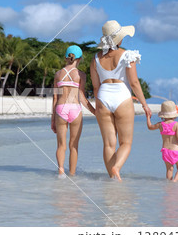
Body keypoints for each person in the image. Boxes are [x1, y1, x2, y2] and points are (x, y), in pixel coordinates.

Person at [90, 20, 152, 181]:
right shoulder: (127, 55)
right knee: (126, 143)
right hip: (122, 97)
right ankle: (116, 168)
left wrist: (98, 106)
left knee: (109, 144)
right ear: (119, 38)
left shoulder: (95, 59)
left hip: (103, 97)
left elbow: (95, 87)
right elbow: (134, 83)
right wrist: (145, 105)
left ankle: (112, 178)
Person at [51, 45, 95, 178]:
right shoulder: (81, 75)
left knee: (61, 145)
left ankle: (60, 172)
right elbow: (81, 97)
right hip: (75, 109)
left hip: (60, 108)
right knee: (73, 145)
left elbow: (55, 97)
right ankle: (72, 174)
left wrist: (53, 119)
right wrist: (95, 112)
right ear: (80, 59)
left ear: (66, 57)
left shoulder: (58, 74)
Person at [147, 101, 178, 182]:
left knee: (169, 170)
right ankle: (174, 182)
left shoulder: (160, 124)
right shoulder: (177, 124)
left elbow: (150, 127)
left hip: (165, 151)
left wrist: (148, 117)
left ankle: (169, 185)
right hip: (175, 151)